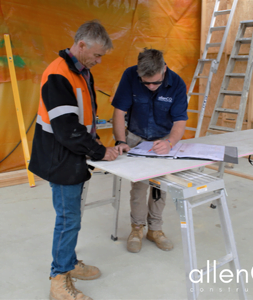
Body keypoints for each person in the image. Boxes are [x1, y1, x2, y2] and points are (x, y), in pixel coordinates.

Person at [29, 20, 119, 300]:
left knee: (72, 217)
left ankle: (69, 261)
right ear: (81, 45)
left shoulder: (81, 71)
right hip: (60, 158)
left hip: (71, 154)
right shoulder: (59, 75)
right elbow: (67, 128)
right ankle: (59, 279)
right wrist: (99, 152)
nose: (99, 60)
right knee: (68, 220)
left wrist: (94, 144)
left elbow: (83, 117)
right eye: (97, 54)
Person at [112, 48, 188, 253]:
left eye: (156, 82)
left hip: (163, 141)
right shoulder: (129, 75)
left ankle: (155, 229)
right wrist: (120, 140)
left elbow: (180, 121)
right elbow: (119, 112)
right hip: (136, 138)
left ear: (164, 69)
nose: (152, 87)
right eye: (146, 83)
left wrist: (170, 143)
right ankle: (136, 228)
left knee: (159, 187)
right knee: (138, 187)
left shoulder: (177, 84)